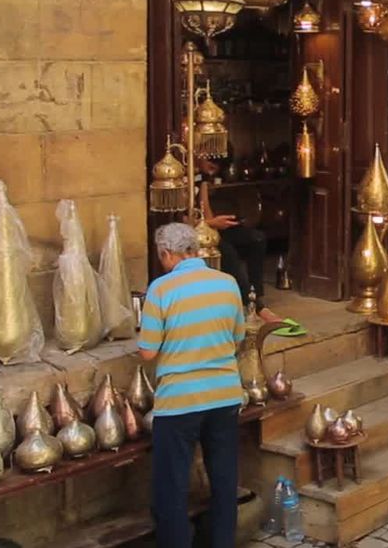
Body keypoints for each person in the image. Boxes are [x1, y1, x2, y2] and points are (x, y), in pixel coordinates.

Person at [139, 222, 245, 548]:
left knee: (172, 487)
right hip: (225, 396)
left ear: (167, 254)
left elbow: (147, 352)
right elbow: (238, 339)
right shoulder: (228, 283)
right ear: (196, 250)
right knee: (224, 480)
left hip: (180, 402)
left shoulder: (160, 289)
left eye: (162, 258)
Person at [194, 158, 272, 318]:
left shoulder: (201, 178)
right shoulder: (182, 178)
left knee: (257, 238)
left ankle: (256, 294)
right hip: (195, 233)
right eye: (206, 158)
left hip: (210, 227)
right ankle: (251, 303)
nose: (211, 163)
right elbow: (184, 220)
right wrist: (212, 222)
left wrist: (215, 222)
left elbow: (206, 213)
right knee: (227, 251)